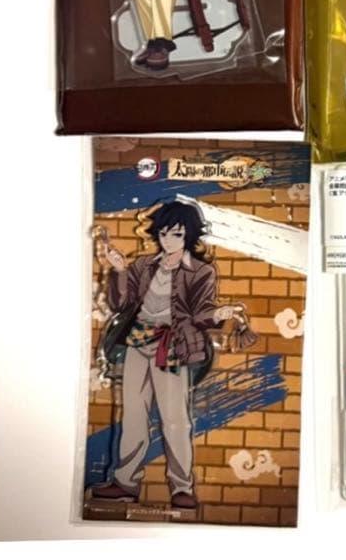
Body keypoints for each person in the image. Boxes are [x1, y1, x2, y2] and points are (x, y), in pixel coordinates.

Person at [91, 200, 245, 509]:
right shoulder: (144, 266)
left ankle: (181, 487)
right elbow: (121, 305)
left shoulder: (200, 271)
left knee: (176, 420)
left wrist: (219, 313)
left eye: (176, 234)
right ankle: (125, 483)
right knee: (133, 417)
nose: (169, 240)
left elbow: (200, 312)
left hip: (172, 347)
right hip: (137, 344)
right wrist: (120, 271)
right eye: (163, 233)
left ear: (189, 235)